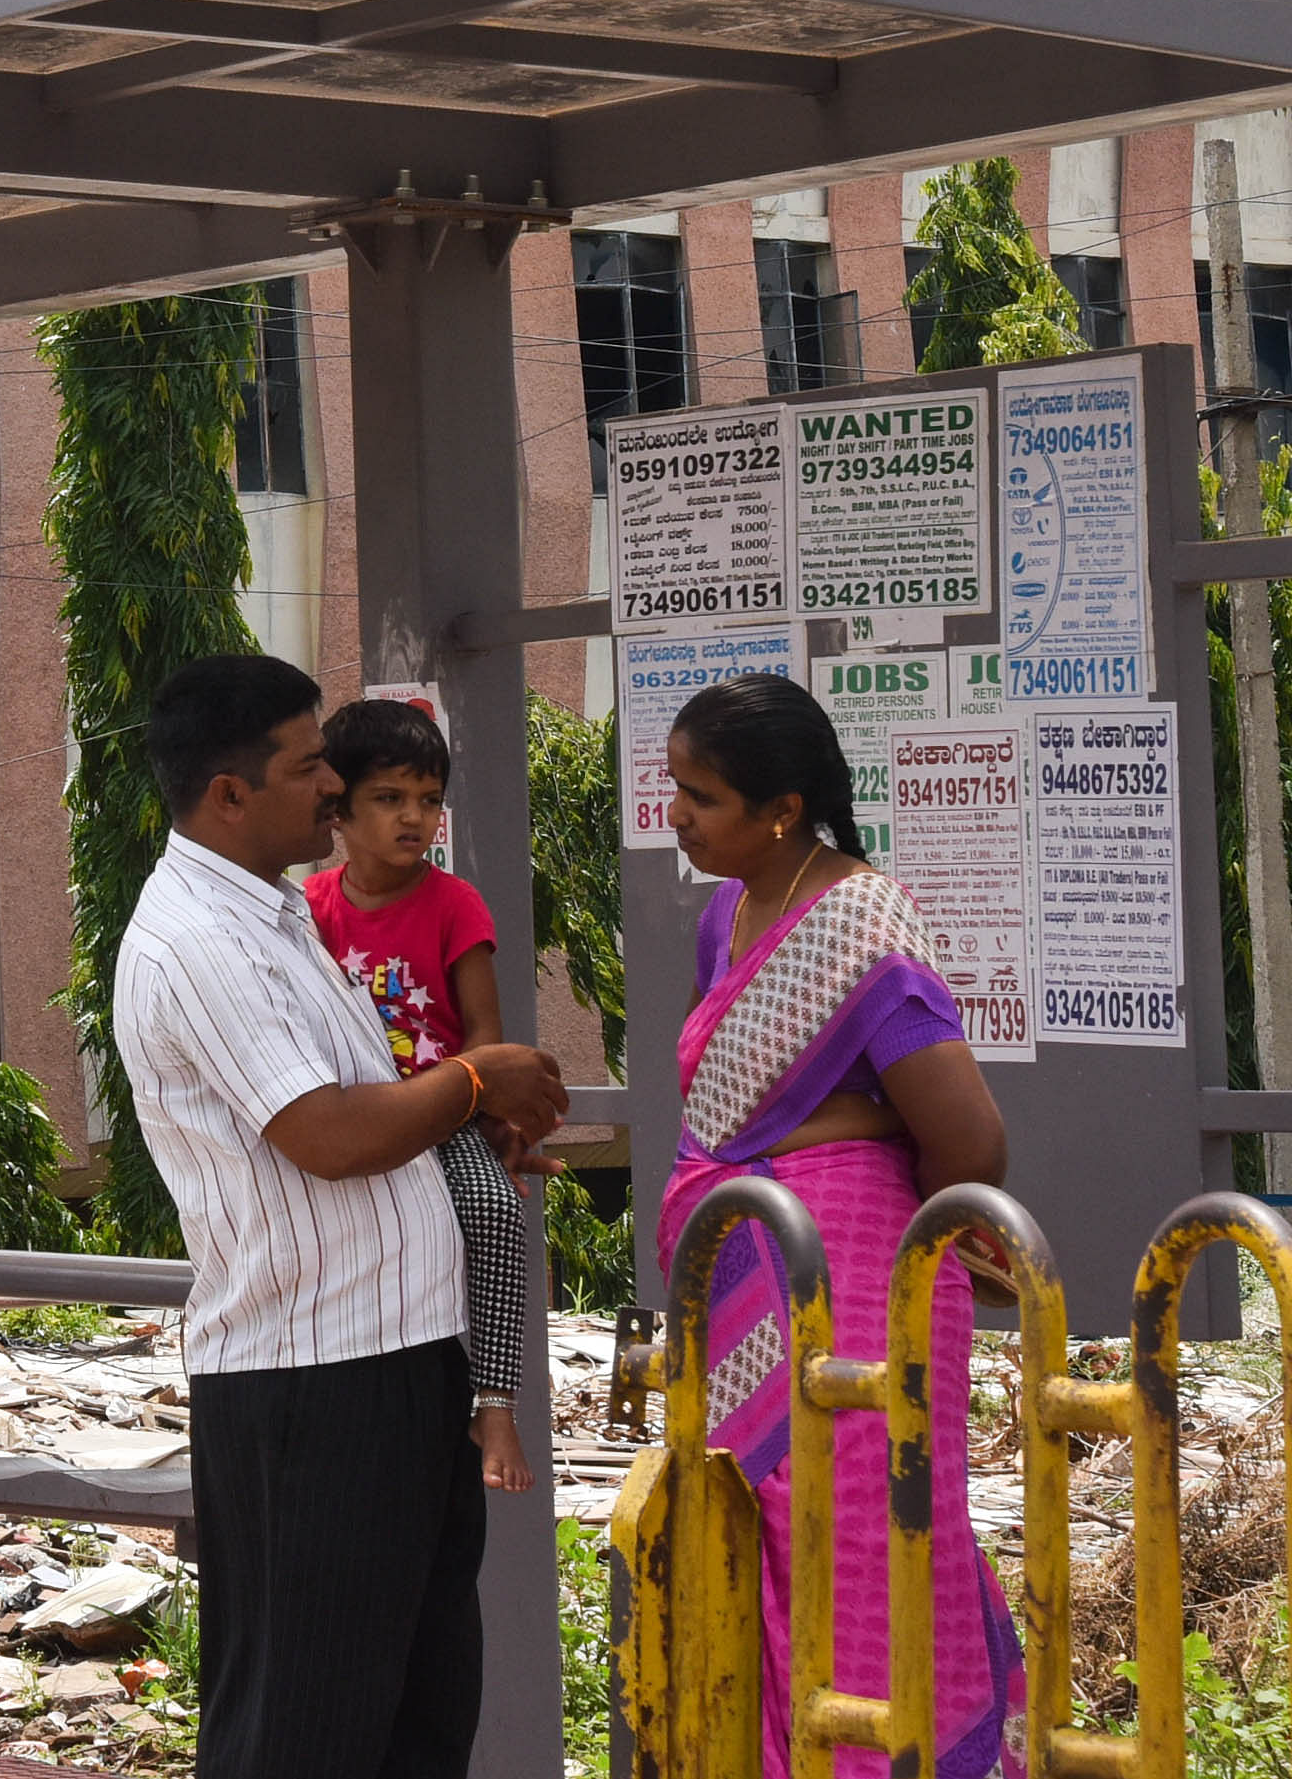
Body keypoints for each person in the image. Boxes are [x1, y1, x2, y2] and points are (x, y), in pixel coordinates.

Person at [112, 653, 567, 1779]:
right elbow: (326, 1134)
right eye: (312, 764)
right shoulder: (196, 940)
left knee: (415, 1710)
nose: (334, 786)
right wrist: (475, 1081)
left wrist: (462, 1122)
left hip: (403, 1360)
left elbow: (374, 1110)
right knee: (305, 1724)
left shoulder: (272, 913)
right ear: (230, 791)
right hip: (312, 1384)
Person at [652, 671, 1019, 1779]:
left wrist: (851, 1205)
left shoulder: (864, 921)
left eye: (699, 795)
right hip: (750, 1271)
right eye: (675, 787)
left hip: (853, 1278)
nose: (675, 814)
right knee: (759, 1544)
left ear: (779, 806)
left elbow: (971, 1142)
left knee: (865, 1546)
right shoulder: (728, 913)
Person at [309, 692, 537, 1496]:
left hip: (440, 1116)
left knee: (495, 1214)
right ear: (336, 805)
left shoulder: (453, 903)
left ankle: (496, 1399)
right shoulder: (310, 911)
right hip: (345, 1118)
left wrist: (467, 1109)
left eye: (429, 798)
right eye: (389, 797)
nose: (415, 816)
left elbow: (485, 1036)